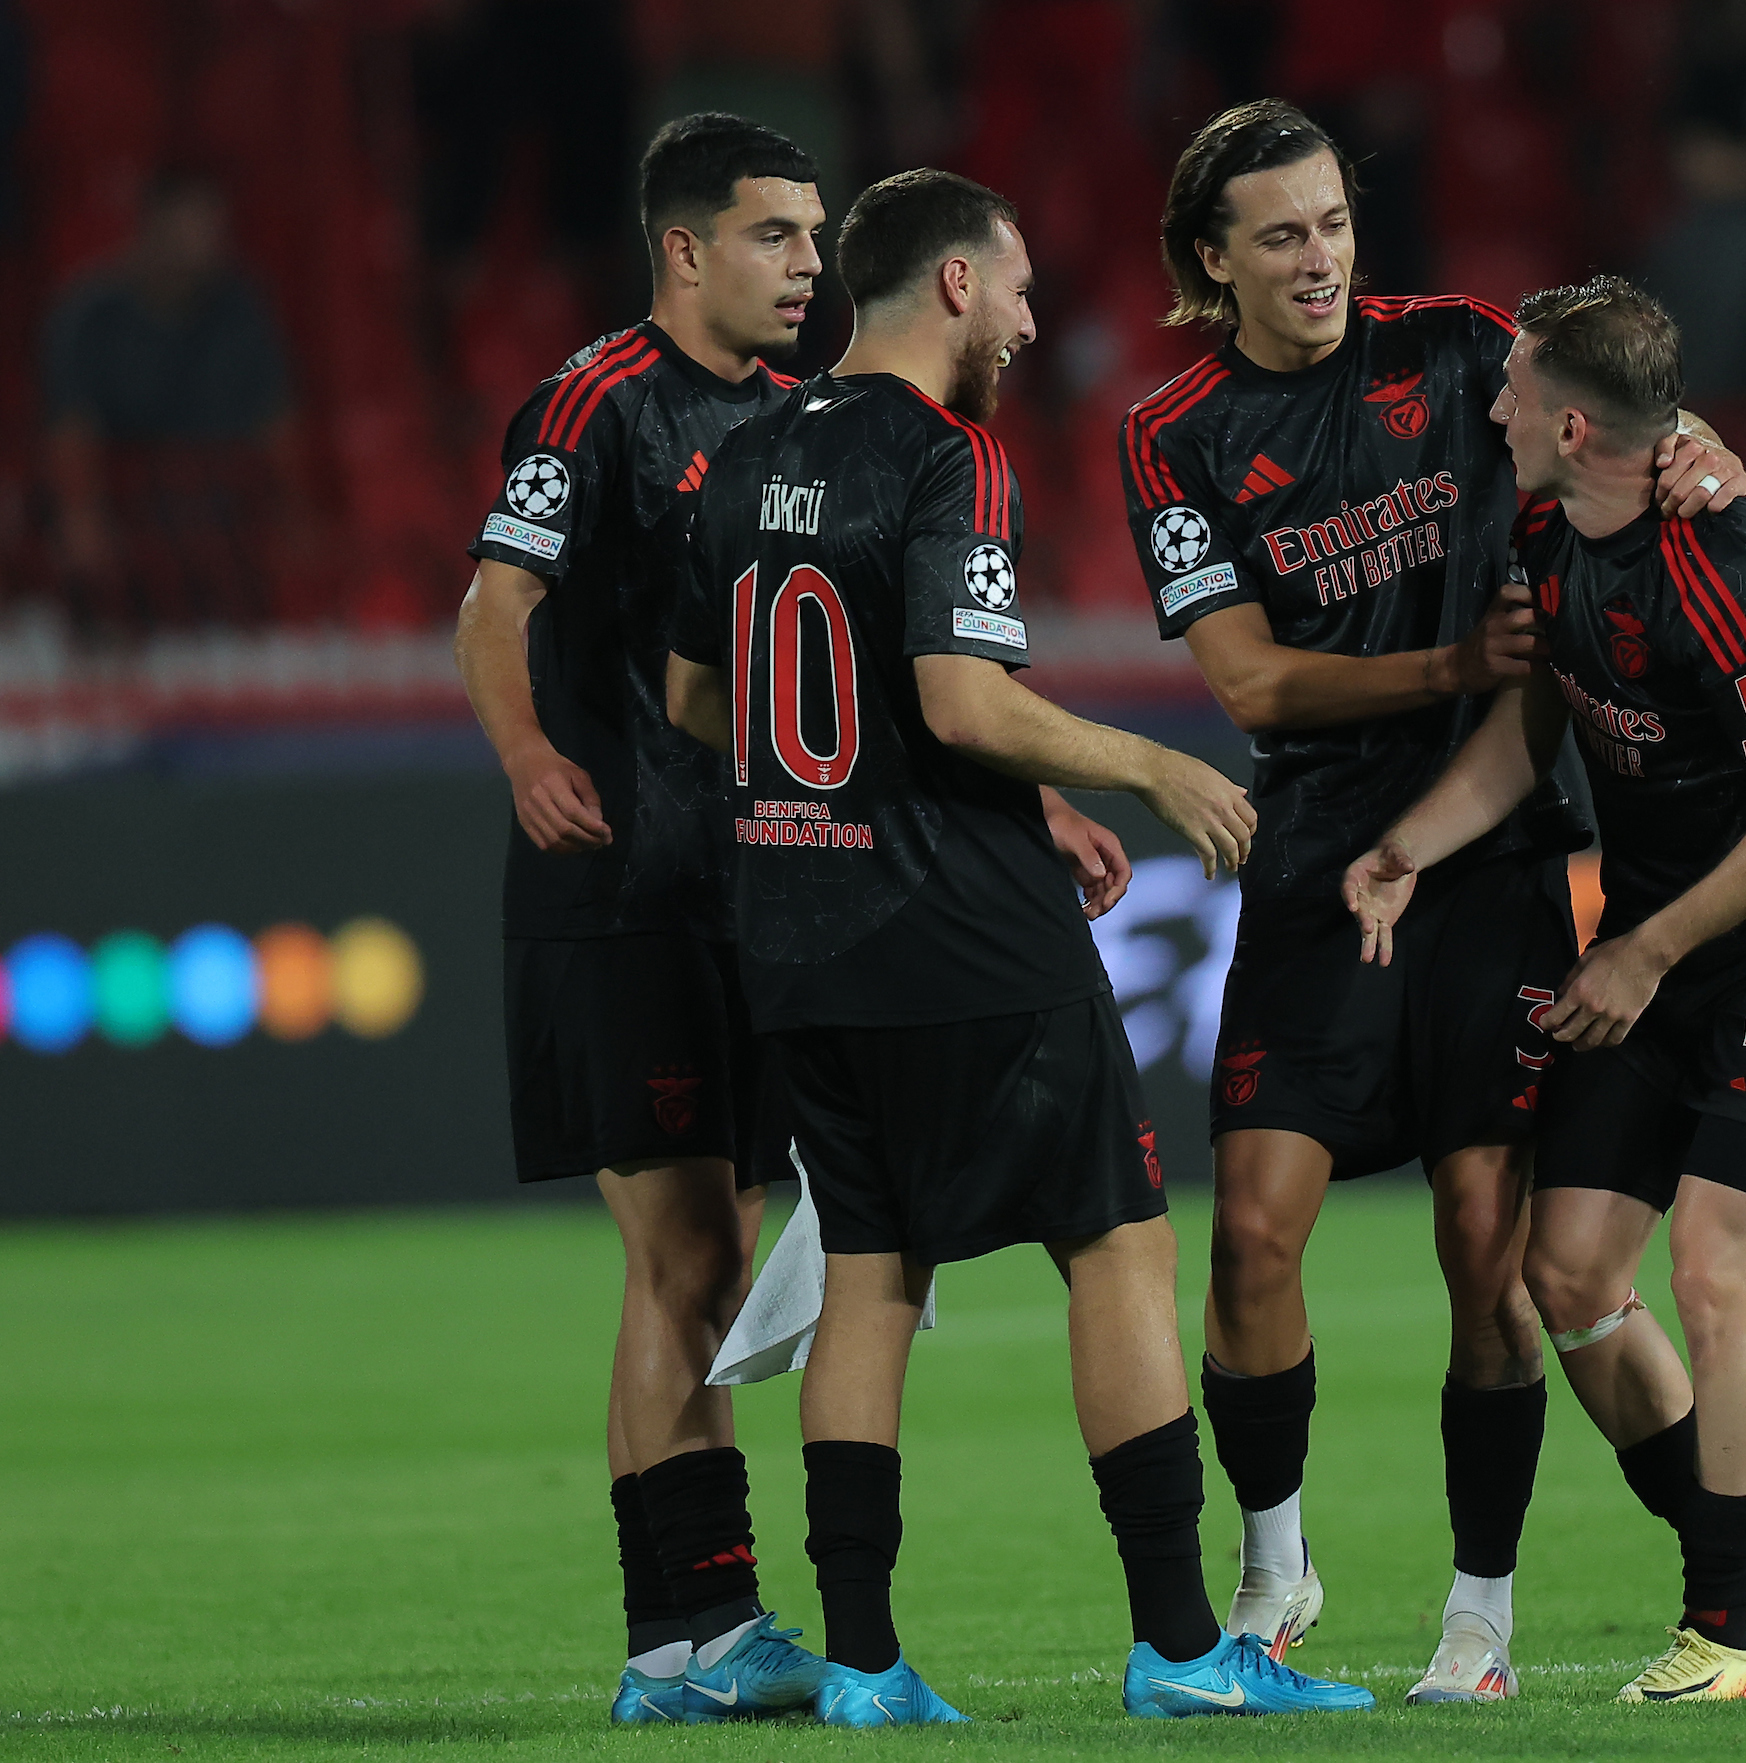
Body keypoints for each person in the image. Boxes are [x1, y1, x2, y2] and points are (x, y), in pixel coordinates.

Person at [663, 167, 1376, 1727]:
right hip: (959, 932)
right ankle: (1185, 1645)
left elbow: (699, 700)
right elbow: (961, 700)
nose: (1039, 318)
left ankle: (862, 1662)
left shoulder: (743, 450)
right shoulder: (949, 453)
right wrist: (1152, 766)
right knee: (1116, 1241)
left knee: (870, 1266)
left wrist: (1004, 796)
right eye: (1025, 284)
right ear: (958, 287)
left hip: (796, 925)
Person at [453, 113, 1131, 1727]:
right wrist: (533, 752)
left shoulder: (797, 426)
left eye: (820, 239)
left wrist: (1022, 797)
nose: (809, 267)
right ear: (684, 247)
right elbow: (496, 596)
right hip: (612, 887)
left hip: (753, 890)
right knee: (684, 1249)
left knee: (734, 1243)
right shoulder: (594, 401)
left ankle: (716, 1628)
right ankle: (683, 1629)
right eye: (775, 236)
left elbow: (881, 678)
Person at [1116, 98, 1746, 1706]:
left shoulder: (1464, 348)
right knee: (1254, 1230)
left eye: (1332, 220)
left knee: (1488, 1241)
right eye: (1280, 232)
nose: (1320, 255)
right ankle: (1277, 1559)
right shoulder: (1171, 433)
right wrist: (1460, 657)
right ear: (1216, 259)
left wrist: (1699, 451)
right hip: (1322, 844)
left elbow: (1620, 423)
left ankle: (1481, 1616)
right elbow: (1249, 672)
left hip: (1499, 838)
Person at [1343, 276, 1746, 1704]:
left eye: (1517, 390)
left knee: (1714, 1270)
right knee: (1571, 1268)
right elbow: (1536, 729)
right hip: (1653, 936)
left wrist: (1642, 951)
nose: (1495, 404)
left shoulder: (1724, 563)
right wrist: (1408, 846)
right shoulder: (1545, 522)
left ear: (1572, 420)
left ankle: (1719, 1638)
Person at [42, 170, 307, 628]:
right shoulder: (91, 314)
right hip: (132, 509)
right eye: (187, 225)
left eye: (211, 227)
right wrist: (81, 514)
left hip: (221, 512)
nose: (202, 240)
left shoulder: (241, 310)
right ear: (148, 226)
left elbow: (276, 422)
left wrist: (295, 511)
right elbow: (71, 428)